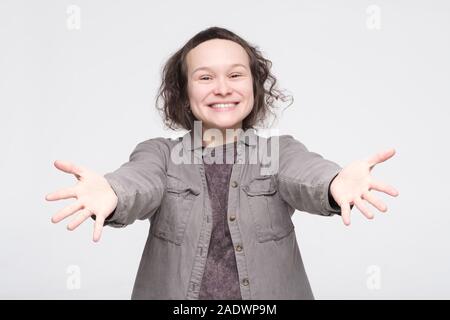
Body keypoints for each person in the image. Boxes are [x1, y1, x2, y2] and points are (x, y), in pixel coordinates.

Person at [46, 26, 399, 300]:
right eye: (204, 77)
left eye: (235, 75)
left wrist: (335, 184)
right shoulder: (159, 154)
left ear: (254, 86)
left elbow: (306, 173)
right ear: (184, 92)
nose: (222, 88)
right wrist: (111, 192)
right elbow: (139, 180)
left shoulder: (279, 151)